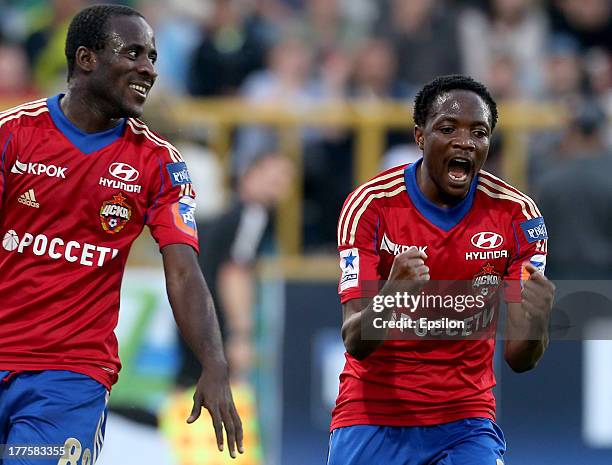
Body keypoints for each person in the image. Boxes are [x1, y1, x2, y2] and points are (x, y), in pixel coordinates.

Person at [0, 4, 243, 464]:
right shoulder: (13, 135)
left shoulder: (159, 163)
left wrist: (214, 363)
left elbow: (184, 272)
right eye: (133, 54)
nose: (148, 69)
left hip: (69, 378)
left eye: (152, 56)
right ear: (86, 59)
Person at [328, 75, 555, 464]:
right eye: (447, 128)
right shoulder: (370, 207)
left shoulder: (519, 218)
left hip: (465, 420)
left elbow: (521, 359)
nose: (465, 142)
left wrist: (537, 322)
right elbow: (355, 340)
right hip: (374, 414)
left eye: (479, 133)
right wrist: (394, 293)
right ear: (420, 136)